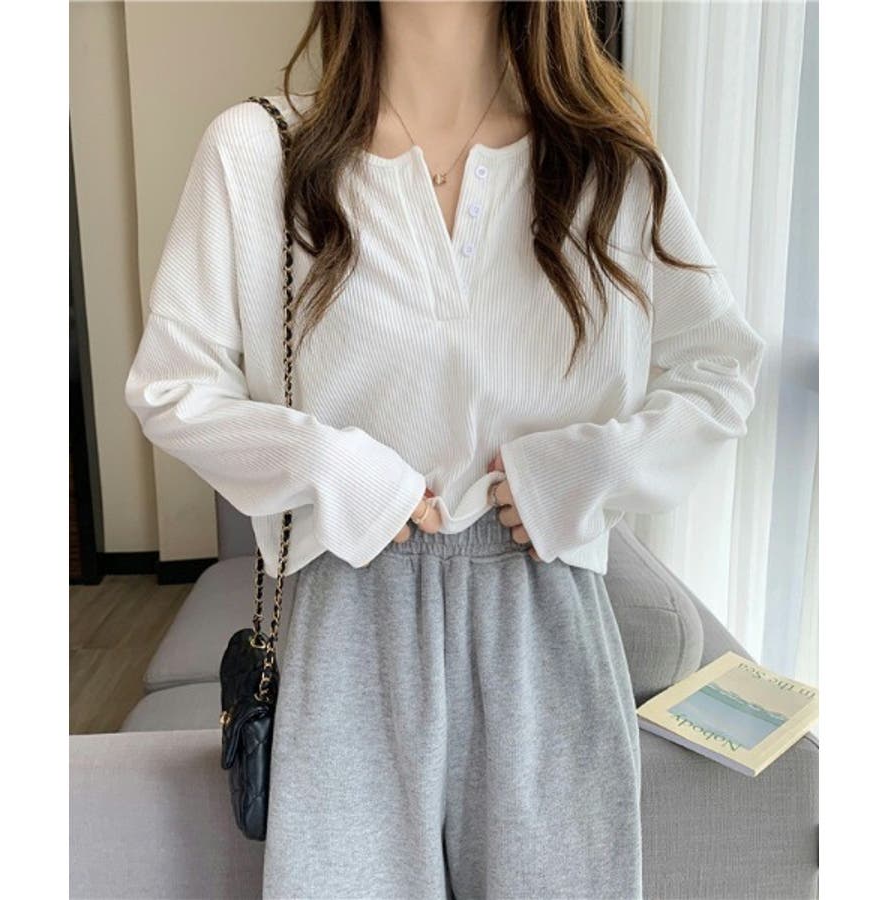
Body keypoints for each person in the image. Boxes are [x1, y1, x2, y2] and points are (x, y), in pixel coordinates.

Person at [124, 2, 767, 897]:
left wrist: (585, 471)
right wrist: (334, 469)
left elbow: (720, 368)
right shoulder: (259, 151)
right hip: (350, 608)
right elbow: (171, 386)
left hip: (546, 612)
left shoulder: (604, 164)